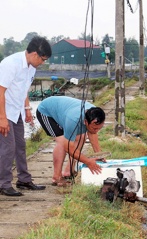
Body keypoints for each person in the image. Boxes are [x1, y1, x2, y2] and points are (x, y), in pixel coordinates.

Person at [0, 36, 52, 196]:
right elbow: (0, 91)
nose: (42, 63)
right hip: (4, 111)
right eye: (42, 59)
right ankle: (3, 184)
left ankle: (24, 180)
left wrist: (27, 109)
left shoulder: (31, 67)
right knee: (8, 148)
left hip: (17, 112)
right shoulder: (11, 64)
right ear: (35, 54)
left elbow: (23, 90)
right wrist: (2, 118)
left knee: (20, 146)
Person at [36, 96, 106, 186]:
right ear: (85, 122)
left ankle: (69, 171)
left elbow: (92, 133)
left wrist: (99, 155)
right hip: (47, 111)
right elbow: (68, 147)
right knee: (62, 143)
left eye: (99, 128)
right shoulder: (73, 120)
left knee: (82, 136)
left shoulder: (94, 114)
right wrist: (88, 161)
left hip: (64, 111)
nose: (96, 130)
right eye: (94, 128)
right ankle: (56, 177)